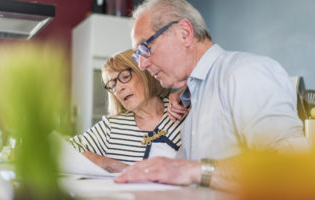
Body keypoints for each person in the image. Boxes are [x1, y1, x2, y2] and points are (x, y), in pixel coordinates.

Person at [114, 0, 310, 190]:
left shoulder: (245, 73)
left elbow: (292, 169)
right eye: (137, 56)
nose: (142, 65)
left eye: (145, 48)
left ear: (184, 33)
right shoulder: (193, 94)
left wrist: (196, 171)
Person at [69, 49, 187, 173]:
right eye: (112, 84)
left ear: (145, 73)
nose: (119, 88)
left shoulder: (180, 108)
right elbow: (66, 152)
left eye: (125, 77)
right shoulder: (111, 126)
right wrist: (110, 164)